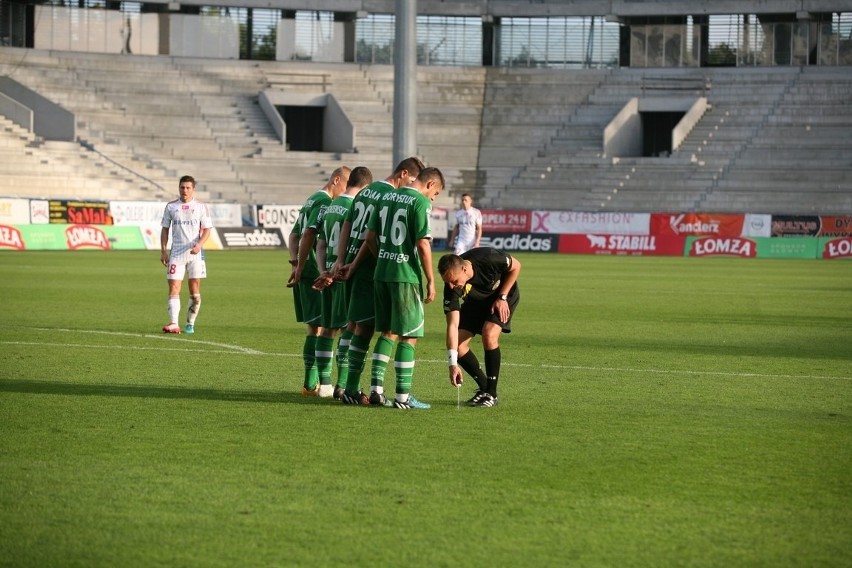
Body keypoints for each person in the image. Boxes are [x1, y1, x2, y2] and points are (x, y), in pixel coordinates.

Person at [333, 157, 425, 406]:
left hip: (351, 266)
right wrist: (379, 259)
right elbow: (369, 237)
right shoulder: (388, 196)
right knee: (365, 329)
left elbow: (347, 225)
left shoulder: (365, 192)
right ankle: (351, 389)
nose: (413, 186)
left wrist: (342, 260)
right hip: (367, 270)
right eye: (414, 180)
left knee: (353, 326)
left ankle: (344, 386)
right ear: (404, 174)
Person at [363, 167, 445, 409]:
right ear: (430, 184)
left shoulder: (386, 196)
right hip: (405, 275)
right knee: (409, 336)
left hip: (382, 273)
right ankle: (402, 397)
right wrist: (430, 279)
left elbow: (369, 238)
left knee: (387, 332)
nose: (434, 198)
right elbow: (422, 243)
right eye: (436, 193)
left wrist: (384, 259)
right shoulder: (420, 202)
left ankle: (376, 390)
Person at [288, 166, 351, 397]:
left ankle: (310, 384)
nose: (346, 192)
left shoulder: (311, 199)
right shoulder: (324, 202)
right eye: (345, 185)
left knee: (315, 327)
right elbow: (308, 234)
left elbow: (294, 234)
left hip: (307, 271)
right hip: (319, 272)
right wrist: (304, 265)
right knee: (333, 327)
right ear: (337, 180)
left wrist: (295, 263)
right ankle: (319, 384)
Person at [312, 166, 373, 401]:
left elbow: (320, 244)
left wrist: (322, 272)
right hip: (345, 274)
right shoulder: (354, 207)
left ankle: (325, 384)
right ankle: (343, 384)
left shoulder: (331, 206)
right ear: (365, 186)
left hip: (327, 272)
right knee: (351, 326)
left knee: (327, 330)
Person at [437, 247, 521, 407]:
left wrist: (502, 297)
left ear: (464, 268)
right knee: (459, 344)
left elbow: (516, 266)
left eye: (454, 281)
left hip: (502, 296)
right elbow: (452, 325)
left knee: (489, 334)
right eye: (446, 282)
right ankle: (485, 389)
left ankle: (492, 394)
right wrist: (452, 364)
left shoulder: (487, 258)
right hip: (476, 302)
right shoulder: (451, 288)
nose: (451, 286)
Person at [160, 175, 212, 335]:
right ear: (179, 188)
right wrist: (163, 250)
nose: (185, 190)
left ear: (193, 189)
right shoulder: (171, 207)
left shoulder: (201, 207)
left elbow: (207, 229)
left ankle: (190, 323)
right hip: (176, 254)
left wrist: (199, 245)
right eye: (182, 187)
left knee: (194, 291)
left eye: (188, 188)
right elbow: (165, 229)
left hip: (195, 255)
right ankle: (174, 323)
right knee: (174, 287)